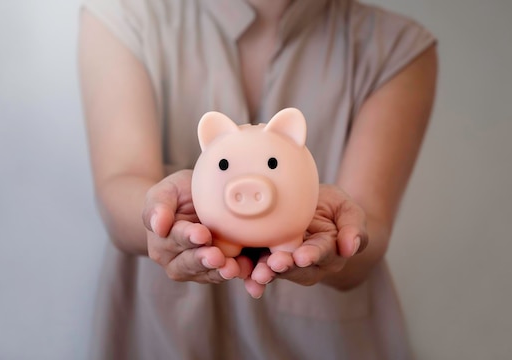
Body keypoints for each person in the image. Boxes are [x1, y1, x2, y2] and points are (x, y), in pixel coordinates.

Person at [78, 0, 437, 358]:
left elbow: (368, 221)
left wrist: (343, 241)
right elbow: (119, 183)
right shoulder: (124, 14)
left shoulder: (398, 48)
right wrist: (159, 220)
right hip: (162, 335)